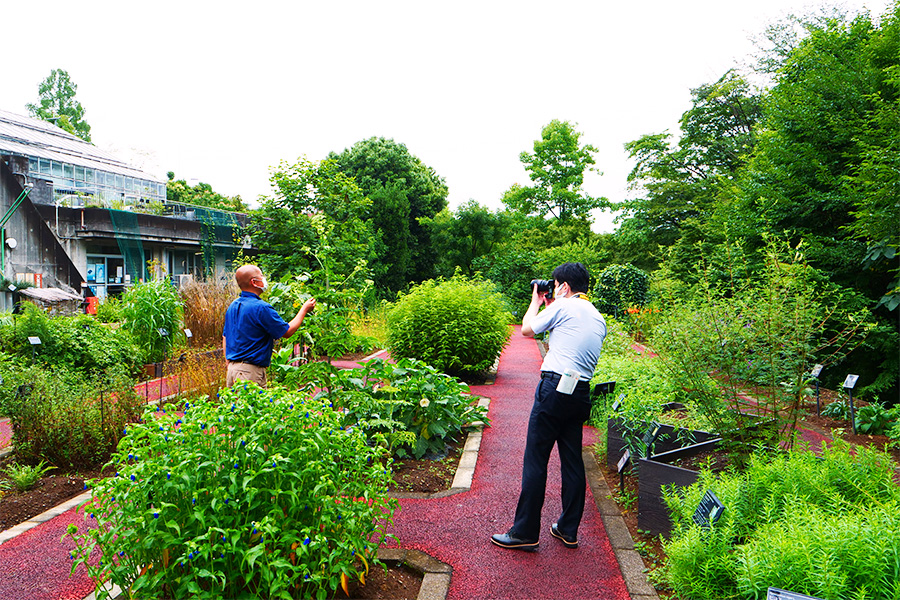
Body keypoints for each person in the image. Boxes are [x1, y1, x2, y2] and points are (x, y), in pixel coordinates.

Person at [491, 262, 607, 551]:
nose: (554, 290)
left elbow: (527, 330)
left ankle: (525, 533)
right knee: (572, 461)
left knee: (536, 459)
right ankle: (568, 530)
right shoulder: (597, 316)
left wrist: (535, 299)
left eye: (556, 285)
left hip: (554, 388)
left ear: (564, 287)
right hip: (580, 391)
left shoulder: (563, 306)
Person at [222, 264, 316, 388]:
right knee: (251, 406)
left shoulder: (233, 306)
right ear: (254, 282)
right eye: (261, 276)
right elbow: (287, 332)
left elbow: (225, 337)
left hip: (234, 370)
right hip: (249, 371)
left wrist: (229, 362)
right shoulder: (260, 307)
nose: (264, 279)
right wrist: (304, 309)